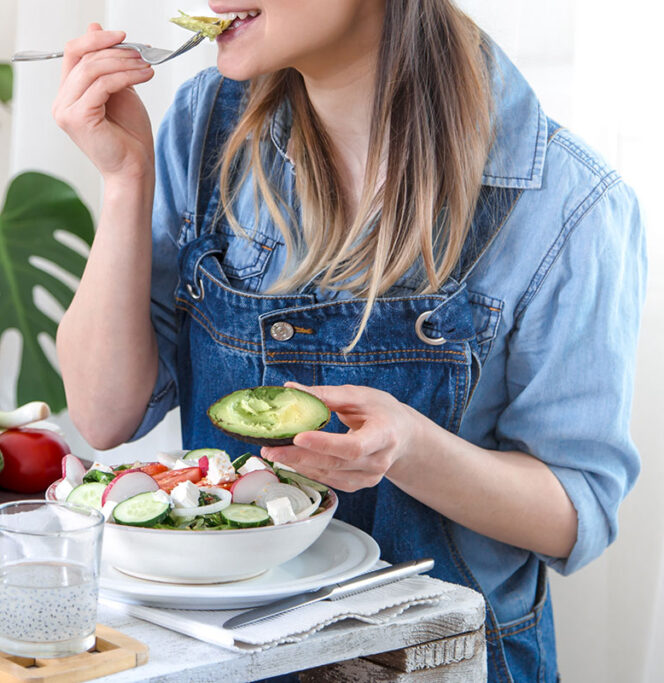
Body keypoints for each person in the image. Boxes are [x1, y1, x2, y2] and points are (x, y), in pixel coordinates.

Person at [52, 2, 646, 680]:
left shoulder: (565, 200)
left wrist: (412, 448)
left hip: (440, 663)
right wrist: (124, 180)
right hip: (232, 657)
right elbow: (104, 414)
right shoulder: (205, 125)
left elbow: (575, 512)